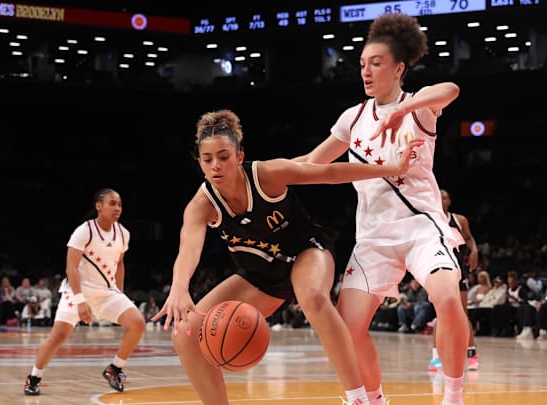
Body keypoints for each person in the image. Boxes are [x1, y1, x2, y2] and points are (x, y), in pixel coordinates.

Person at [152, 109, 421, 405]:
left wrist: (392, 168)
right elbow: (188, 248)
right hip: (261, 276)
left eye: (224, 156)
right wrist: (179, 287)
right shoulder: (201, 205)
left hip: (306, 252)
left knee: (312, 297)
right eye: (208, 159)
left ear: (239, 157)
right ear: (200, 163)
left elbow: (329, 173)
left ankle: (359, 399)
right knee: (185, 334)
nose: (216, 165)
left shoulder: (267, 175)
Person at [293, 13, 468, 405]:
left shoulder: (418, 107)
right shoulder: (352, 118)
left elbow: (450, 88)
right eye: (361, 64)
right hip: (373, 237)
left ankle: (453, 395)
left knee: (448, 298)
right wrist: (263, 175)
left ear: (399, 68)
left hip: (421, 226)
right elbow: (312, 163)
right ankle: (374, 400)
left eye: (375, 63)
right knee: (348, 326)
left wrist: (402, 112)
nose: (366, 72)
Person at [24, 189, 145, 395]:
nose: (117, 208)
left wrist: (120, 293)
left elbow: (120, 263)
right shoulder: (84, 231)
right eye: (112, 203)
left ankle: (114, 369)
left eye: (120, 204)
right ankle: (34, 377)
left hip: (106, 291)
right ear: (98, 206)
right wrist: (80, 301)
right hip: (77, 290)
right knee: (59, 336)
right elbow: (71, 268)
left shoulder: (123, 233)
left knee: (138, 323)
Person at [428, 189, 479, 372]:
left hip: (458, 270)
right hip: (438, 271)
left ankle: (472, 354)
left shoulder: (459, 220)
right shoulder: (428, 219)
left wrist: (474, 250)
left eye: (445, 197)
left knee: (463, 313)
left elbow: (469, 239)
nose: (441, 199)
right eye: (438, 196)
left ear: (449, 201)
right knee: (439, 315)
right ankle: (436, 357)